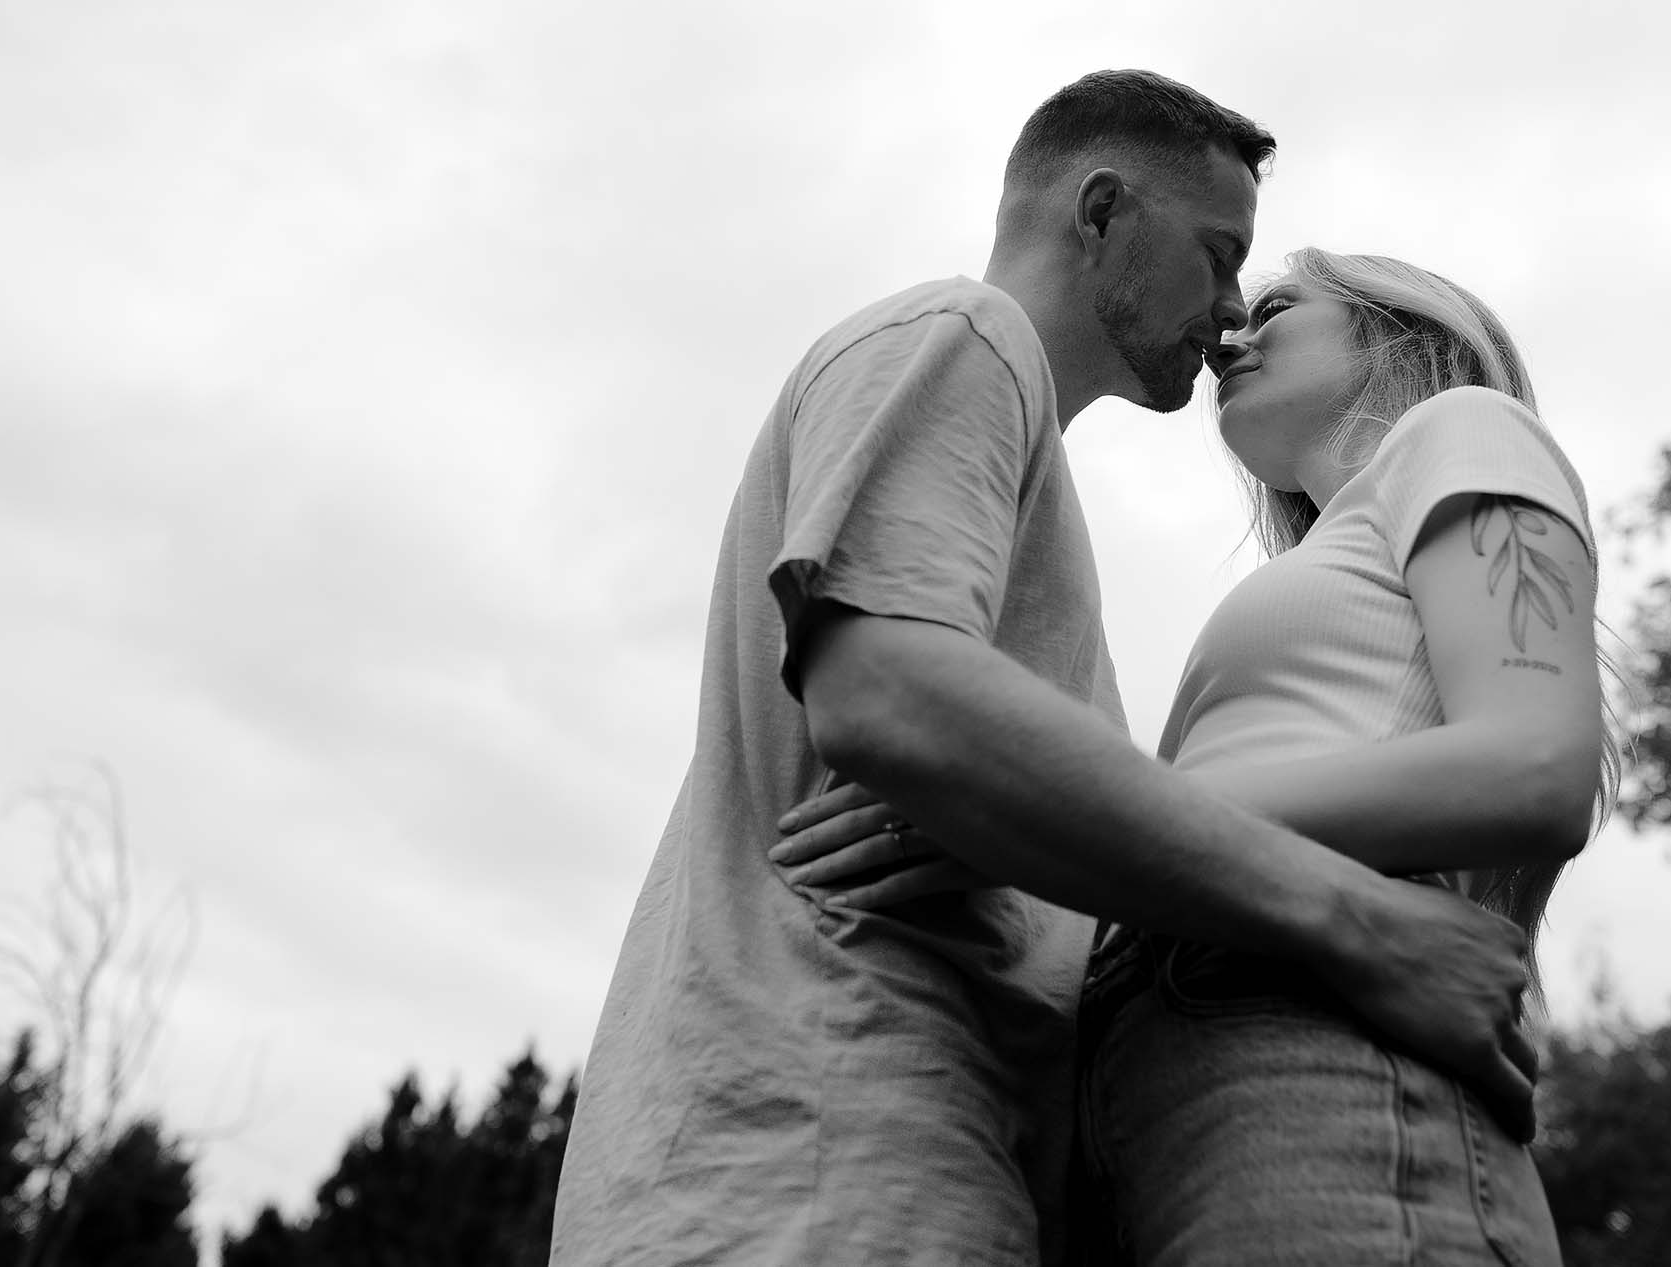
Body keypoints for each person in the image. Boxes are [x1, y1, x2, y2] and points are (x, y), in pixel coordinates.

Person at [550, 72, 1543, 1267]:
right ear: (1101, 210)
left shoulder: (1041, 533)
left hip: (896, 1157)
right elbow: (889, 696)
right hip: (818, 1145)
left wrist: (1024, 824)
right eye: (1221, 255)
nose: (1231, 310)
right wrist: (1358, 920)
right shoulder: (964, 335)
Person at [783, 248, 1615, 1264]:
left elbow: (1534, 767)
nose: (1229, 337)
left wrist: (1054, 811)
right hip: (1148, 1062)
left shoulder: (1465, 427)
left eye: (1276, 306)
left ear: (1399, 327)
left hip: (1310, 1024)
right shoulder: (1331, 555)